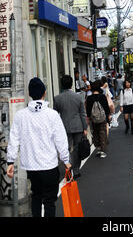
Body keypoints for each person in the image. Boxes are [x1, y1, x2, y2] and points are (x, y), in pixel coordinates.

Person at [6, 77, 71, 218]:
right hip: (49, 166)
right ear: (44, 93)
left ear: (29, 94)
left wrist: (10, 161)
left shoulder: (20, 115)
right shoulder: (52, 115)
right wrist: (66, 160)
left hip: (32, 167)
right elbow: (60, 139)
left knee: (36, 197)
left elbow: (13, 139)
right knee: (49, 201)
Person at [53, 75, 88, 179]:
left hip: (64, 127)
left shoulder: (57, 98)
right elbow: (82, 113)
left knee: (66, 149)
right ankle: (76, 171)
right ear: (71, 84)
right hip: (78, 126)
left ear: (61, 85)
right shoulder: (78, 97)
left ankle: (68, 171)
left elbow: (55, 115)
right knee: (77, 148)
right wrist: (85, 127)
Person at [86, 80, 111, 158]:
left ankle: (98, 148)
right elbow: (106, 107)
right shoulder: (102, 96)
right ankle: (103, 151)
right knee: (102, 133)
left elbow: (88, 110)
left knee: (95, 133)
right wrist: (108, 116)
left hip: (93, 119)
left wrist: (89, 118)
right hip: (102, 118)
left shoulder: (89, 98)